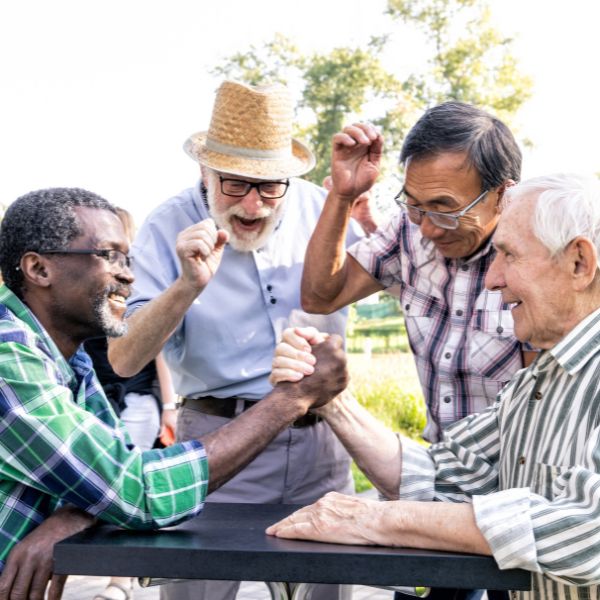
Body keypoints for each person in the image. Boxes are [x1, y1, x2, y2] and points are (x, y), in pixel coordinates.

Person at [0, 187, 347, 600]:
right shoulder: (8, 360)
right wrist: (292, 398)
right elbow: (139, 491)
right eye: (109, 255)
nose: (128, 275)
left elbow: (120, 467)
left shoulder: (68, 360)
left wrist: (73, 514)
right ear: (39, 269)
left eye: (127, 258)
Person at [268, 173, 600, 600]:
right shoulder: (536, 384)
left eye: (509, 255)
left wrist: (377, 521)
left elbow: (590, 533)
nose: (492, 279)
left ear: (579, 263)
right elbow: (441, 478)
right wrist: (329, 396)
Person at [108, 79, 370, 600]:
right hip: (218, 441)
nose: (253, 205)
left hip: (320, 442)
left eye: (270, 186)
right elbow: (123, 358)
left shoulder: (326, 208)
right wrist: (186, 286)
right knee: (198, 592)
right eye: (234, 184)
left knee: (327, 593)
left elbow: (392, 276)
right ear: (203, 171)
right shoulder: (167, 226)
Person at [301, 104, 536, 447]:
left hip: (513, 483)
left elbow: (545, 409)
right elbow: (320, 297)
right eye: (414, 206)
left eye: (445, 211)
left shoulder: (540, 259)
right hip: (440, 467)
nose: (427, 229)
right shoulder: (406, 233)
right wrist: (342, 194)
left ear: (502, 194)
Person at [84, 207, 178, 600]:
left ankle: (119, 579)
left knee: (128, 485)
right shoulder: (86, 282)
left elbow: (159, 349)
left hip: (137, 395)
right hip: (95, 392)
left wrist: (171, 406)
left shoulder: (136, 279)